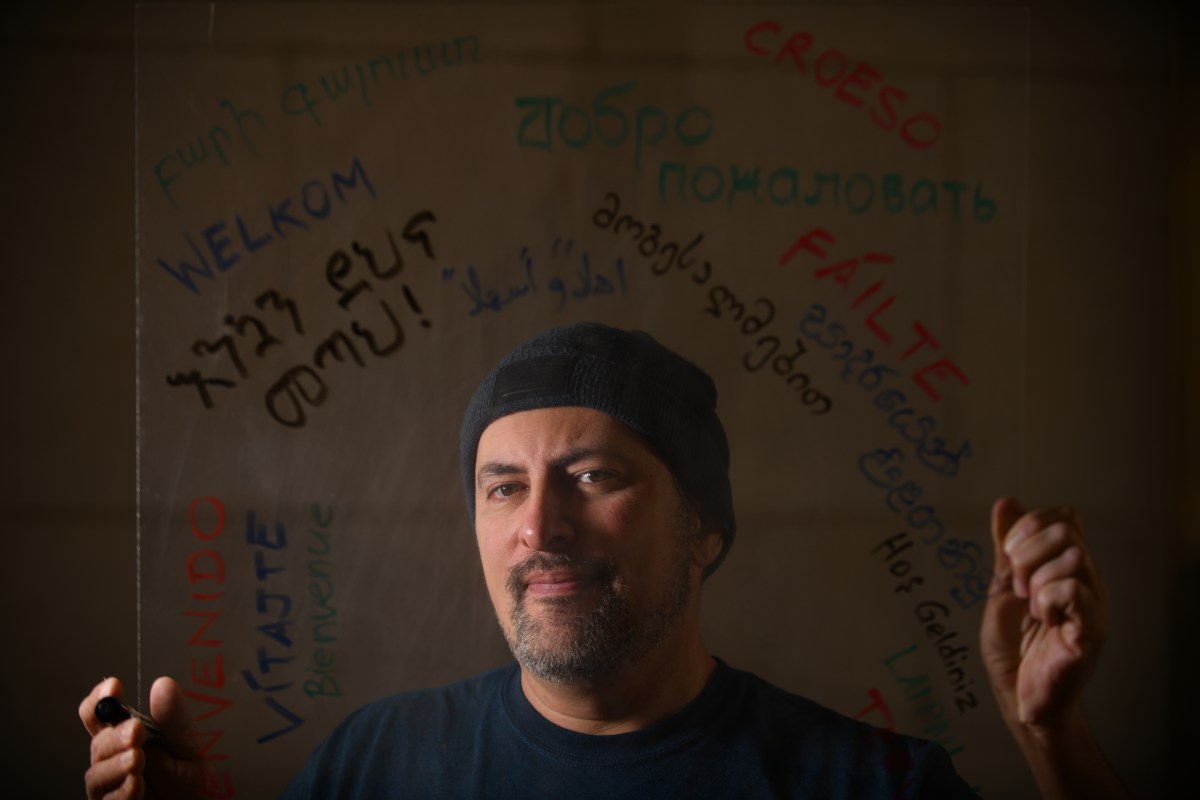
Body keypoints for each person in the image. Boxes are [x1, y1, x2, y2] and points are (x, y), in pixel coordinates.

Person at [81, 322, 1125, 799]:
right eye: (503, 486)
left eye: (590, 475)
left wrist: (1052, 738)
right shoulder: (378, 764)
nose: (540, 527)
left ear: (705, 525)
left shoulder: (869, 783)